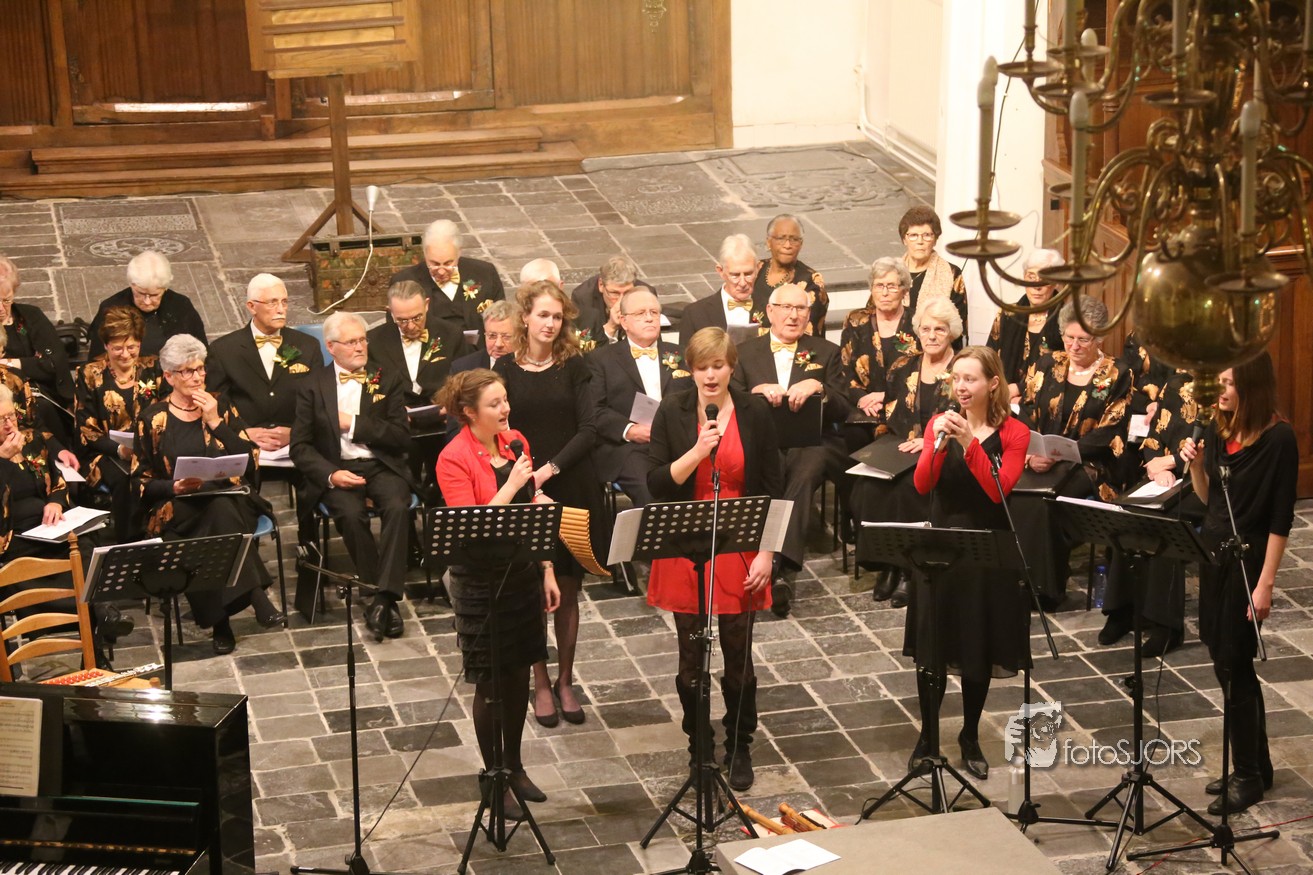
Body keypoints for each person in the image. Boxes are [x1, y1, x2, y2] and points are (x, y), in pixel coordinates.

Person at [647, 327, 782, 792]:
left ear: (731, 368)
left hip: (740, 541)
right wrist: (697, 451)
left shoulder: (754, 411)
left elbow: (773, 487)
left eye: (718, 366)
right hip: (686, 543)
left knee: (738, 655)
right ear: (690, 369)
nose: (710, 375)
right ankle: (699, 748)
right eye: (702, 367)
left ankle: (740, 744)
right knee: (690, 658)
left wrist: (767, 553)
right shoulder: (672, 410)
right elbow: (656, 483)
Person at [435, 369, 561, 821]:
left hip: (521, 575)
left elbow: (531, 512)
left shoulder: (515, 442)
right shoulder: (453, 458)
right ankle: (493, 778)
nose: (505, 409)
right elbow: (471, 529)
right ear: (469, 412)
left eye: (505, 400)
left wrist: (547, 569)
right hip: (479, 585)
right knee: (491, 685)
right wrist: (510, 486)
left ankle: (515, 767)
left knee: (518, 676)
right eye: (494, 404)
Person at [1179, 352, 1296, 814]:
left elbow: (1280, 519)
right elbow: (1211, 500)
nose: (1219, 392)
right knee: (1225, 661)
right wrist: (1195, 466)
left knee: (1234, 663)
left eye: (1227, 383)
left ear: (1252, 385)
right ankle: (1256, 765)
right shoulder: (1217, 429)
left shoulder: (1279, 439)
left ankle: (1248, 775)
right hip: (1215, 557)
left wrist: (1265, 585)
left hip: (1249, 562)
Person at [909, 346, 1031, 780]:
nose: (960, 386)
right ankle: (927, 735)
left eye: (970, 379)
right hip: (941, 547)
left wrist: (969, 443)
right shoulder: (938, 424)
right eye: (956, 378)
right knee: (933, 647)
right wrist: (938, 445)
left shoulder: (1015, 432)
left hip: (985, 550)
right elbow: (923, 483)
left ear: (992, 383)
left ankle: (970, 734)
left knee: (977, 647)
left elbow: (998, 490)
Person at [495, 280, 603, 728]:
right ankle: (539, 681)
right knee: (535, 590)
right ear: (525, 317)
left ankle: (565, 680)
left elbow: (590, 429)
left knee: (569, 588)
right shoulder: (504, 367)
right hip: (524, 489)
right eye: (543, 314)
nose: (550, 323)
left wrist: (548, 472)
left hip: (570, 484)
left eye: (557, 316)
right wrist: (527, 478)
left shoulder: (576, 365)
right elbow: (500, 428)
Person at [132, 334, 283, 654]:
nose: (198, 376)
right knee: (211, 516)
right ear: (169, 376)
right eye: (188, 371)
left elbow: (251, 461)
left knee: (218, 508)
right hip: (180, 506)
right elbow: (140, 481)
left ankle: (220, 622)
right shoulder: (153, 419)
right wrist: (173, 487)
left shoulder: (220, 406)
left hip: (231, 501)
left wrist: (216, 422)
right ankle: (255, 596)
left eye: (200, 369)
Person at [290, 312, 414, 640]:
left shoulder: (386, 378)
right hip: (337, 466)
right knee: (349, 513)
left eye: (362, 340)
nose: (360, 347)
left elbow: (401, 436)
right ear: (331, 347)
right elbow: (300, 447)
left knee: (398, 506)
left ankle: (383, 598)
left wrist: (355, 424)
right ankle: (378, 593)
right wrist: (332, 475)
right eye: (351, 342)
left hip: (381, 464)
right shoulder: (310, 386)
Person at [730, 282, 850, 616]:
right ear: (770, 312)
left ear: (809, 315)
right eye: (786, 307)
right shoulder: (745, 352)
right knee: (769, 468)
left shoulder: (826, 351)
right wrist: (755, 393)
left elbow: (843, 407)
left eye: (800, 309)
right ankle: (776, 566)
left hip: (813, 441)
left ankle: (777, 563)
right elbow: (730, 400)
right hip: (763, 442)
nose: (793, 315)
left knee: (803, 471)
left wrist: (819, 388)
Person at [1015, 296, 1134, 610]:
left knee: (1048, 501)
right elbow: (1025, 411)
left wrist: (1061, 453)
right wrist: (1031, 454)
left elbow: (1110, 429)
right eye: (1069, 337)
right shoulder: (1046, 364)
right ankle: (1020, 580)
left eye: (1084, 339)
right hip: (1040, 457)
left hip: (1092, 463)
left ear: (1100, 338)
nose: (1074, 346)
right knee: (1016, 491)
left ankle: (1047, 589)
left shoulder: (1117, 372)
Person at [853, 296, 961, 606]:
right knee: (868, 486)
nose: (931, 336)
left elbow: (967, 419)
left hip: (945, 451)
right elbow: (889, 416)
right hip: (901, 448)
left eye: (939, 329)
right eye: (925, 329)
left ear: (952, 333)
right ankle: (887, 565)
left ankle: (908, 571)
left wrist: (927, 443)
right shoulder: (903, 365)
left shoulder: (962, 369)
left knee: (907, 489)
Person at [206, 274, 323, 548]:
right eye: (272, 303)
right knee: (238, 489)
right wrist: (244, 433)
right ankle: (248, 554)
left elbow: (319, 400)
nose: (281, 309)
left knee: (314, 477)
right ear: (251, 306)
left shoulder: (307, 346)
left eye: (284, 302)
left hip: (295, 442)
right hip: (247, 445)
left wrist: (296, 432)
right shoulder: (223, 350)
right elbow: (217, 404)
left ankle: (309, 548)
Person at [588, 288, 691, 510]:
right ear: (624, 321)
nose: (649, 318)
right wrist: (630, 430)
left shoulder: (682, 354)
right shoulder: (601, 359)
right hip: (630, 448)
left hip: (679, 444)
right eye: (641, 313)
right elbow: (595, 409)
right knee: (652, 490)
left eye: (654, 312)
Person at [74, 306, 167, 542]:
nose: (125, 354)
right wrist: (120, 450)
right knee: (128, 479)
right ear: (106, 346)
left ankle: (161, 536)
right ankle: (129, 543)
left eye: (132, 347)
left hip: (149, 449)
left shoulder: (153, 368)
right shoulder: (89, 374)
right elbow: (86, 428)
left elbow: (167, 410)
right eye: (117, 348)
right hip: (105, 452)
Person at [366, 279, 463, 493]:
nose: (410, 326)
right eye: (402, 320)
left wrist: (451, 404)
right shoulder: (374, 341)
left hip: (444, 418)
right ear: (390, 312)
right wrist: (394, 410)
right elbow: (371, 387)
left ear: (426, 304)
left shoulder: (451, 334)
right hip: (400, 421)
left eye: (417, 318)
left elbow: (464, 378)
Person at [839, 256, 918, 451]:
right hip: (865, 410)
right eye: (879, 285)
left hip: (904, 407)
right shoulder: (856, 320)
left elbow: (923, 372)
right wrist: (861, 399)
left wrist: (885, 396)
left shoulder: (918, 322)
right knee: (852, 435)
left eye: (892, 286)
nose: (884, 293)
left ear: (904, 290)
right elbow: (844, 369)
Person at [388, 219, 504, 345]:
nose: (441, 271)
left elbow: (502, 318)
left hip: (479, 349)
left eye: (448, 263)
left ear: (459, 252)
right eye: (434, 264)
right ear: (425, 254)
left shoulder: (485, 273)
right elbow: (395, 332)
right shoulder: (404, 282)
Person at [0, 255, 76, 438]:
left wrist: (10, 363)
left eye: (6, 300)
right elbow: (39, 364)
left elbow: (53, 362)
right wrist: (31, 363)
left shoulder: (30, 317)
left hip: (40, 392)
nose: (1, 308)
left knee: (43, 408)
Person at [88, 250, 207, 358]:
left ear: (165, 288)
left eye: (154, 295)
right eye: (140, 293)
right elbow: (97, 361)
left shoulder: (181, 306)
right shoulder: (111, 309)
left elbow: (202, 354)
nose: (147, 301)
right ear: (131, 284)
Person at [986, 248, 1066, 400]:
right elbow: (989, 357)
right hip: (1002, 397)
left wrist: (1021, 390)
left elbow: (1065, 370)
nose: (1037, 286)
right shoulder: (1007, 314)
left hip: (1044, 401)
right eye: (1031, 277)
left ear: (1056, 282)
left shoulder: (1066, 319)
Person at [678, 234, 762, 349]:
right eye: (735, 275)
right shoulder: (695, 314)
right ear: (720, 271)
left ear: (758, 268)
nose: (742, 283)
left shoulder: (771, 307)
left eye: (748, 274)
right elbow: (686, 357)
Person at [898, 206, 968, 345]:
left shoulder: (951, 273)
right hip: (894, 347)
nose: (920, 241)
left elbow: (959, 326)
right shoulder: (891, 272)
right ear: (904, 240)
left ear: (935, 240)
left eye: (927, 235)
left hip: (937, 348)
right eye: (913, 235)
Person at [751, 215, 828, 336]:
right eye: (781, 239)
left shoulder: (811, 281)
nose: (787, 245)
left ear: (801, 244)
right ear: (768, 242)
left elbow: (806, 331)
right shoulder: (756, 270)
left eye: (794, 239)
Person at [570, 254, 656, 348]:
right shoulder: (583, 299)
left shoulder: (646, 294)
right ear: (601, 285)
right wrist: (611, 326)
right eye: (615, 293)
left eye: (627, 292)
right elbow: (584, 348)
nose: (621, 301)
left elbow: (653, 343)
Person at [451, 300, 516, 374]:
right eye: (492, 336)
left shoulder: (526, 368)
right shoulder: (462, 369)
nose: (498, 344)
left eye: (506, 337)